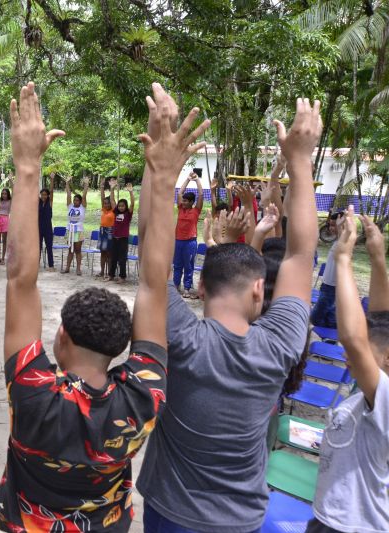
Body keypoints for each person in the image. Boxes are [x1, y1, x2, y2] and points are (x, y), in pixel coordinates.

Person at [0, 81, 208, 533]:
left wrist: (28, 167)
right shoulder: (142, 397)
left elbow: (20, 277)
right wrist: (163, 180)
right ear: (121, 346)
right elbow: (152, 284)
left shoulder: (34, 391)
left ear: (61, 336)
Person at [137, 98, 322, 533]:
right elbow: (300, 253)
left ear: (201, 287)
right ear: (260, 291)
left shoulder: (179, 337)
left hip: (171, 514)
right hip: (240, 520)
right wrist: (300, 162)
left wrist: (161, 172)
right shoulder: (279, 344)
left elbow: (150, 257)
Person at [307, 209, 389, 533]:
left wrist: (341, 257)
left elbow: (354, 339)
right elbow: (381, 322)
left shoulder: (384, 397)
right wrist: (377, 256)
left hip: (353, 527)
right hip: (330, 518)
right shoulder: (375, 390)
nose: (350, 354)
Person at [310, 211, 344, 329]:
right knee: (329, 318)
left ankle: (333, 335)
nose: (331, 228)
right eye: (330, 225)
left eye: (334, 225)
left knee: (315, 318)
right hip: (326, 286)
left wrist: (340, 226)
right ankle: (330, 340)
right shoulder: (337, 241)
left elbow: (344, 238)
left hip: (332, 288)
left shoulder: (345, 241)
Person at [62, 177, 89, 275]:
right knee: (70, 250)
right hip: (70, 230)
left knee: (78, 250)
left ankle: (78, 269)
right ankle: (67, 268)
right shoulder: (70, 206)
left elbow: (85, 195)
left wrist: (86, 184)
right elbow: (68, 194)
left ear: (81, 201)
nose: (75, 201)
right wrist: (67, 183)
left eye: (77, 200)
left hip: (78, 230)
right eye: (75, 200)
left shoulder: (83, 207)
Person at [109, 182, 135, 282]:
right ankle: (111, 275)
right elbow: (112, 200)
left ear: (125, 206)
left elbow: (132, 204)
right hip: (115, 238)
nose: (120, 207)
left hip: (123, 239)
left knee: (122, 259)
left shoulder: (128, 214)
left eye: (122, 206)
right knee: (113, 258)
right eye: (119, 206)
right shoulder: (116, 212)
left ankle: (122, 277)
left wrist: (131, 192)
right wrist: (112, 189)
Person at [97, 179, 117, 280]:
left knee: (109, 253)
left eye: (108, 203)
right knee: (102, 253)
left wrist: (112, 188)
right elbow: (102, 198)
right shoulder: (104, 209)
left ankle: (110, 273)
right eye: (105, 203)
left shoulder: (114, 210)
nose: (106, 205)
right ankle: (101, 271)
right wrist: (101, 187)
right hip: (102, 231)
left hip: (110, 232)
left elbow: (112, 200)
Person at [39, 173, 56, 271]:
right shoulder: (38, 202)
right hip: (39, 227)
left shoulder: (50, 202)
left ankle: (51, 266)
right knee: (38, 247)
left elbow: (52, 191)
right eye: (42, 194)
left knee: (49, 247)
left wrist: (52, 179)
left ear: (48, 195)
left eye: (45, 194)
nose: (43, 196)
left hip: (48, 228)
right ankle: (36, 264)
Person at [0, 182, 12, 264]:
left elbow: (14, 190)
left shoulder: (10, 201)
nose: (4, 195)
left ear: (8, 194)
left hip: (6, 220)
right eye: (2, 193)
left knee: (4, 241)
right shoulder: (0, 200)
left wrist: (11, 180)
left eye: (5, 194)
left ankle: (3, 258)